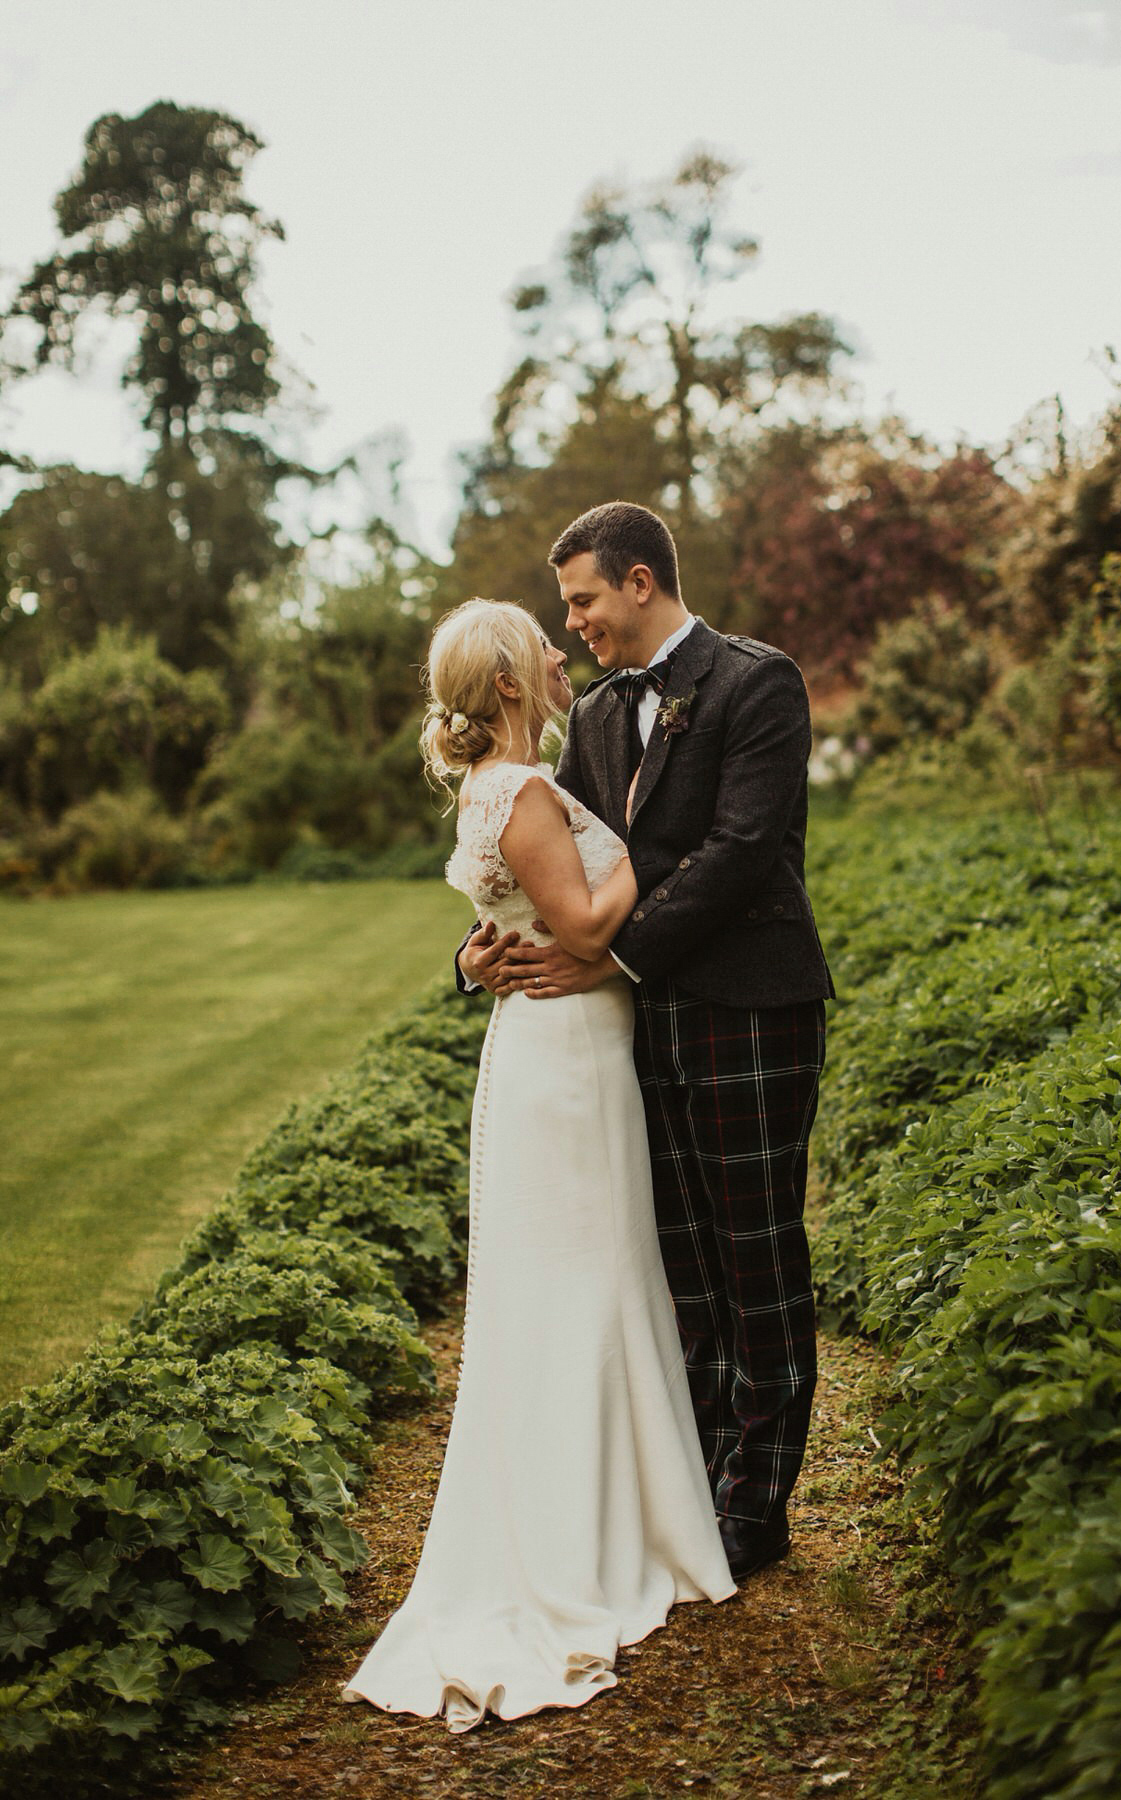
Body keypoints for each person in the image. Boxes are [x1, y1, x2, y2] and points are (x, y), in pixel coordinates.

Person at [341, 598, 734, 1734]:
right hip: (565, 1061)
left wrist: (552, 937)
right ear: (512, 682)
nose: (562, 652)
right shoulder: (518, 794)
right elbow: (587, 924)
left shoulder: (502, 788)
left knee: (596, 1280)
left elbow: (539, 924)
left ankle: (626, 1505)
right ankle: (593, 1537)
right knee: (584, 1284)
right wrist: (653, 876)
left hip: (561, 1053)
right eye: (542, 644)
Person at [459, 502, 834, 1584]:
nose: (570, 621)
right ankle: (698, 1477)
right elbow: (553, 859)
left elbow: (741, 853)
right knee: (680, 1263)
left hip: (750, 1007)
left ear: (636, 581)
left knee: (753, 1254)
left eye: (580, 598)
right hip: (641, 1027)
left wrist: (612, 959)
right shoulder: (603, 714)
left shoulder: (759, 683)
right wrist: (481, 951)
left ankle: (756, 1506)